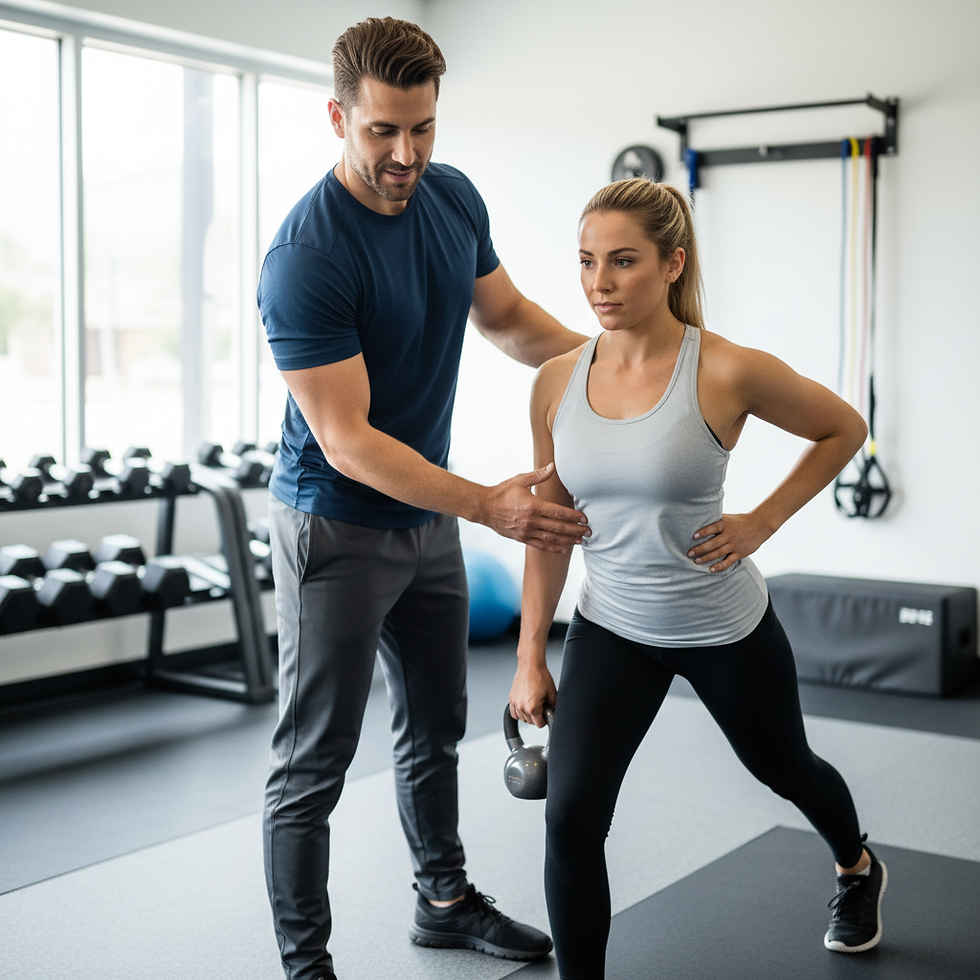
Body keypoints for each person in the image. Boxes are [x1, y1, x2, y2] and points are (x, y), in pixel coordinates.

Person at [256, 17, 591, 980]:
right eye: (382, 133)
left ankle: (442, 901)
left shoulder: (451, 197)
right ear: (338, 118)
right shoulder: (307, 256)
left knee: (437, 725)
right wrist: (487, 504)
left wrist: (621, 361)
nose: (405, 155)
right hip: (336, 522)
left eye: (424, 129)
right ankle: (305, 964)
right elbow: (348, 440)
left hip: (429, 523)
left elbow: (511, 319)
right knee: (313, 760)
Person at [508, 178, 888, 980]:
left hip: (722, 626)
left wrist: (764, 520)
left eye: (622, 261)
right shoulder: (556, 381)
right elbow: (551, 530)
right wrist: (530, 655)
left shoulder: (723, 369)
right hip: (612, 626)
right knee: (571, 818)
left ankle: (855, 866)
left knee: (785, 768)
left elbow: (842, 426)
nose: (598, 283)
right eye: (585, 262)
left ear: (672, 264)